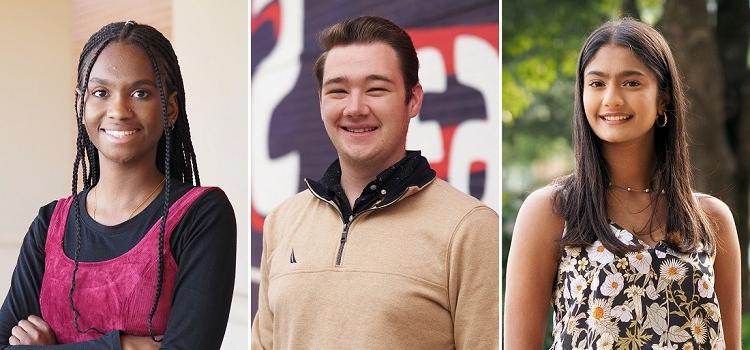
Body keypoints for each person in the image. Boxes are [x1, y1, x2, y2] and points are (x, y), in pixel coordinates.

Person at [251, 15, 499, 349]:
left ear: (413, 100)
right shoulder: (282, 221)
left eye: (376, 89)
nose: (355, 108)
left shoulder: (469, 228)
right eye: (338, 90)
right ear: (321, 101)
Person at [504, 18, 741, 349]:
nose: (612, 99)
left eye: (631, 83)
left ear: (663, 99)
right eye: (597, 84)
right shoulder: (553, 211)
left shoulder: (710, 219)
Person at [0, 21, 236, 349]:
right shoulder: (50, 224)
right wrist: (124, 345)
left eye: (140, 93)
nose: (119, 110)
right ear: (82, 104)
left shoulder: (201, 215)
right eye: (101, 93)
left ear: (170, 109)